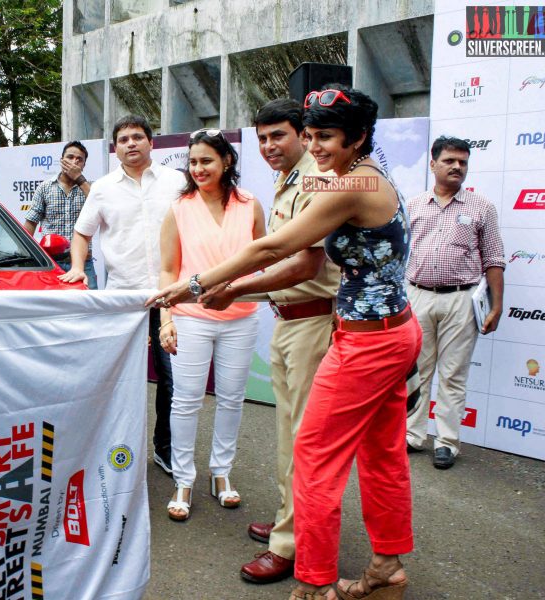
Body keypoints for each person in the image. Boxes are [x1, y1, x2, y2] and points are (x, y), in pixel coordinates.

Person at [148, 84, 422, 600]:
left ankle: (313, 585)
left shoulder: (346, 183)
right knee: (383, 456)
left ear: (359, 137)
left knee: (313, 456)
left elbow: (278, 248)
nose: (316, 148)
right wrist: (226, 289)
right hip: (386, 332)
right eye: (313, 136)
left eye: (327, 138)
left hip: (366, 343)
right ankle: (386, 566)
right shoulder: (358, 174)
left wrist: (199, 284)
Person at [199, 99, 341, 583]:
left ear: (303, 134)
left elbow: (303, 264)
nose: (268, 146)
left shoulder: (318, 181)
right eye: (261, 138)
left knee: (303, 442)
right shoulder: (288, 182)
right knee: (290, 438)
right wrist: (244, 290)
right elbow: (281, 267)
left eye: (278, 135)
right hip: (288, 321)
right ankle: (290, 522)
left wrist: (231, 287)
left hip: (313, 325)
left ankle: (293, 545)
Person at [61, 115, 186, 474]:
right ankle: (117, 455)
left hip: (168, 297)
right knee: (119, 382)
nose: (131, 144)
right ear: (115, 148)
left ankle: (165, 449)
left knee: (171, 380)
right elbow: (82, 234)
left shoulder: (176, 182)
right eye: (123, 139)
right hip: (122, 301)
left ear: (151, 142)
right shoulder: (102, 188)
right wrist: (78, 268)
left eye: (137, 137)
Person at [157, 129, 265, 521]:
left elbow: (261, 260)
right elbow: (168, 269)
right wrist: (166, 319)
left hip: (240, 318)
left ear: (227, 162)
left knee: (232, 399)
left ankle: (222, 473)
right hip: (191, 318)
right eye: (193, 161)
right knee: (185, 401)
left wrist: (241, 290)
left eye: (207, 160)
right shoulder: (179, 208)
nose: (198, 168)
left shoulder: (250, 204)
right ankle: (184, 478)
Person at [405, 136, 505, 470]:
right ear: (432, 164)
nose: (457, 167)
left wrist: (496, 305)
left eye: (462, 162)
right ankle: (413, 436)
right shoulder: (414, 205)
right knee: (417, 371)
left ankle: (447, 442)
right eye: (449, 160)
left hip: (462, 299)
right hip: (417, 295)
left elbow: (494, 258)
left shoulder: (482, 208)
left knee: (453, 374)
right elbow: (400, 252)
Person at [24, 141, 98, 289]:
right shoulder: (45, 187)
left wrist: (79, 178)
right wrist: (26, 257)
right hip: (51, 262)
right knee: (50, 305)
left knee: (90, 305)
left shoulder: (91, 187)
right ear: (62, 160)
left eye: (79, 160)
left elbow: (100, 206)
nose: (74, 162)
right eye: (70, 157)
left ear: (84, 165)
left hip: (83, 262)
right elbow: (31, 222)